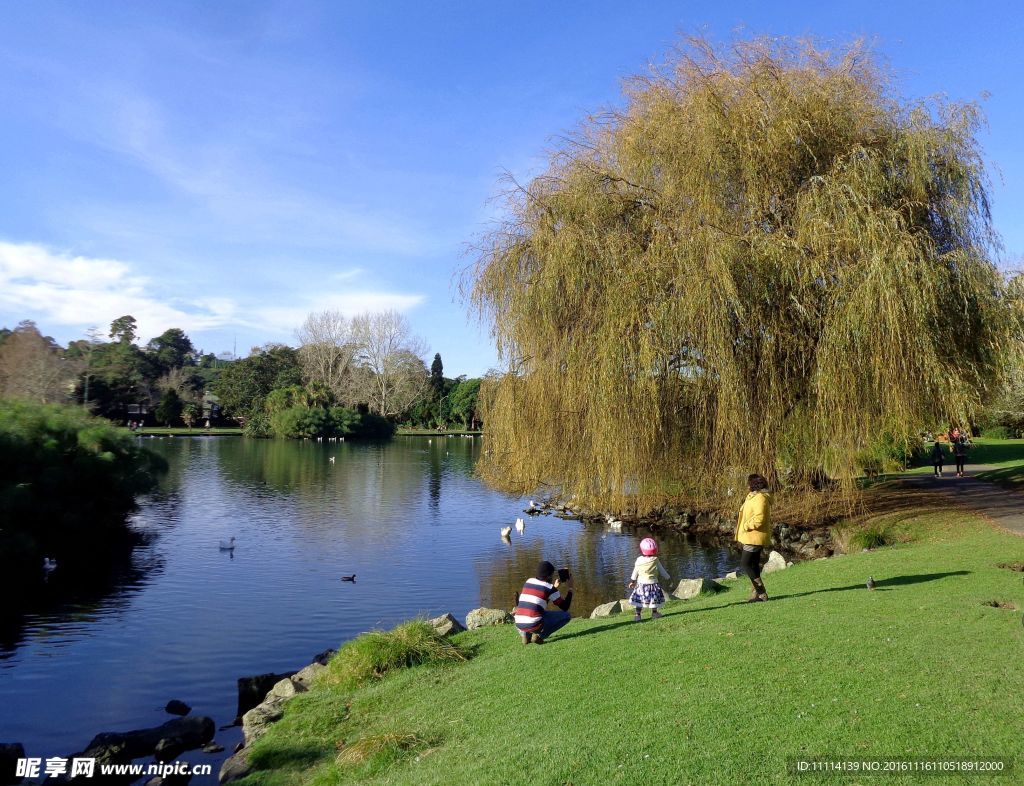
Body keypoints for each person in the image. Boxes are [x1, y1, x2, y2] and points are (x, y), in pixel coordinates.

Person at [514, 561, 574, 645]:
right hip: (534, 624)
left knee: (536, 612)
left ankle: (525, 635)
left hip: (518, 623)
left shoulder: (529, 581)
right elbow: (565, 607)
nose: (553, 577)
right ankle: (539, 636)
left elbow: (540, 600)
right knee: (567, 616)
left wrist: (554, 587)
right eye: (552, 575)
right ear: (549, 576)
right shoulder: (549, 588)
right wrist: (570, 588)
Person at [735, 473, 772, 602]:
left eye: (749, 483)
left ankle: (761, 592)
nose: (747, 485)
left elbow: (759, 518)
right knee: (754, 564)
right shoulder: (753, 496)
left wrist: (746, 526)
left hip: (754, 536)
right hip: (751, 536)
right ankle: (758, 594)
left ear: (754, 484)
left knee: (745, 564)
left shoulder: (760, 498)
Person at [627, 537, 670, 621]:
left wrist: (632, 581)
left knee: (639, 600)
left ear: (642, 549)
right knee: (653, 599)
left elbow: (635, 572)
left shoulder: (638, 560)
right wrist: (668, 577)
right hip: (653, 584)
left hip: (641, 585)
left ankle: (637, 615)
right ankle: (654, 613)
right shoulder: (655, 560)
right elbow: (662, 571)